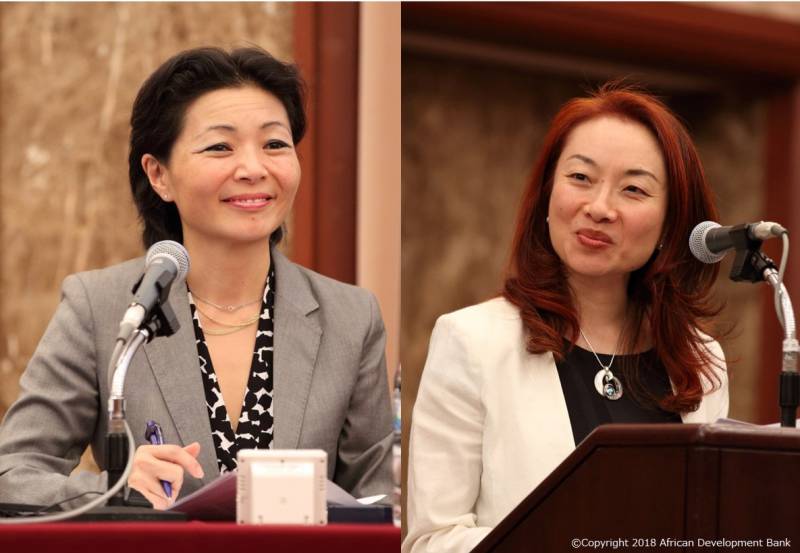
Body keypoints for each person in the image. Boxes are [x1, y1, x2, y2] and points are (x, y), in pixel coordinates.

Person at [0, 46, 393, 510]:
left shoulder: (351, 316)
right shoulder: (102, 307)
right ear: (159, 174)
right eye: (220, 147)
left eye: (274, 144)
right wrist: (114, 489)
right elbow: (12, 473)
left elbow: (381, 499)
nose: (253, 169)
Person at [403, 83, 729, 553]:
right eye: (580, 177)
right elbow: (432, 541)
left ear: (671, 223)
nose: (598, 207)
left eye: (633, 189)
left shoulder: (702, 362)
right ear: (546, 196)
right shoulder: (472, 341)